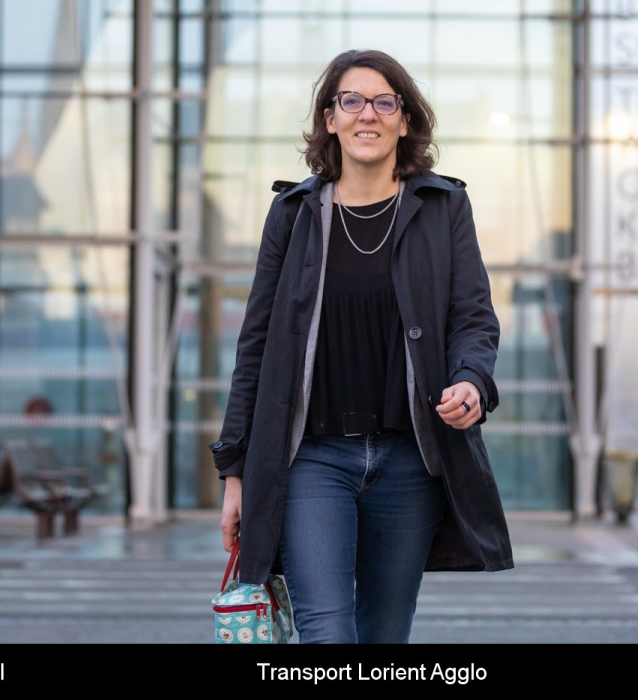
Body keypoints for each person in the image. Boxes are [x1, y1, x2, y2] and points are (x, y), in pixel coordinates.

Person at [210, 49, 513, 644]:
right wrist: (236, 471)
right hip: (313, 460)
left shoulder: (443, 208)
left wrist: (471, 381)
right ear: (330, 119)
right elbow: (256, 347)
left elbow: (473, 317)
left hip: (409, 461)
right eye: (351, 100)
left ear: (404, 120)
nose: (365, 114)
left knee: (383, 636)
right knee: (327, 634)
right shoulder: (293, 214)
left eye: (383, 101)